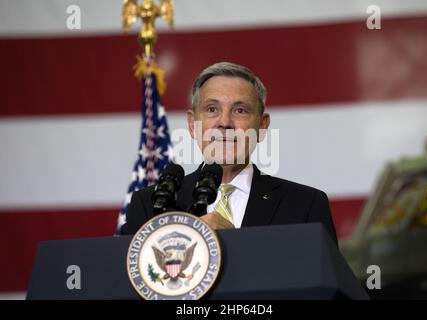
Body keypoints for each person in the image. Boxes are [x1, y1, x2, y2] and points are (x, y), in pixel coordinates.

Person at [121, 62, 338, 244]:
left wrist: (237, 248)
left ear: (262, 126)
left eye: (240, 110)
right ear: (192, 124)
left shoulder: (306, 206)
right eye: (212, 109)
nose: (224, 123)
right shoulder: (150, 204)